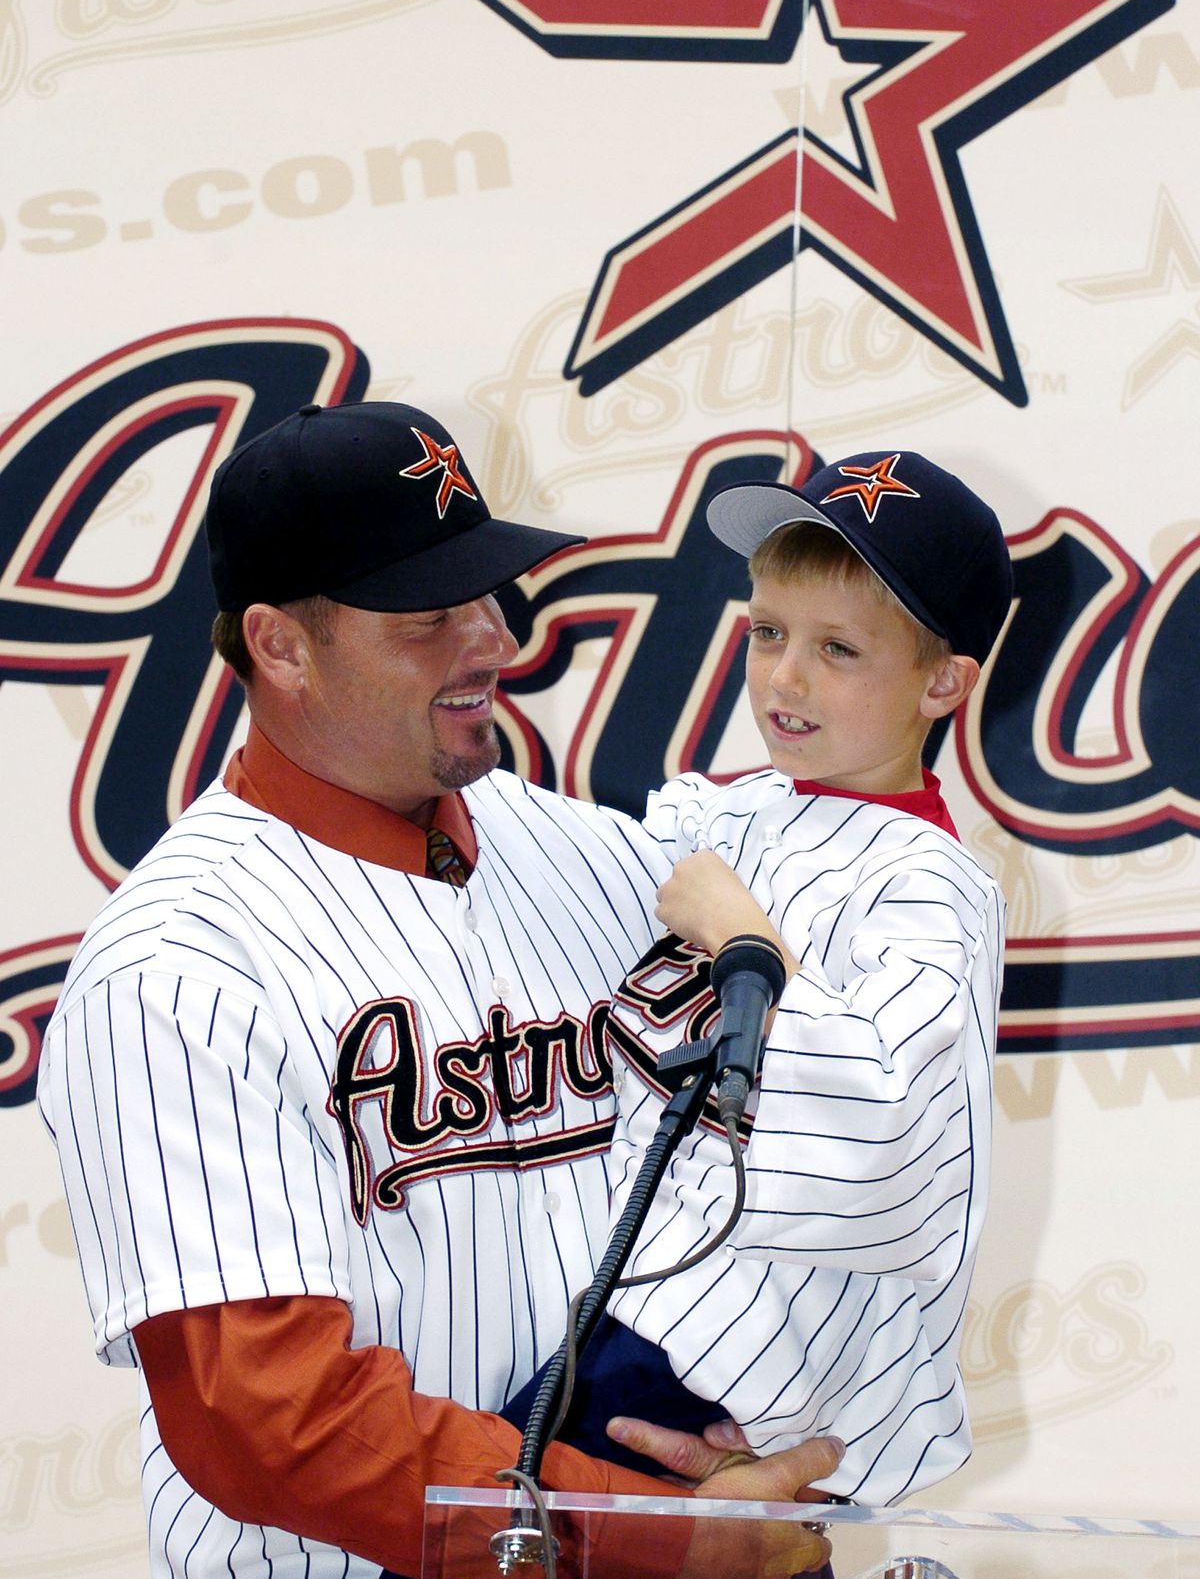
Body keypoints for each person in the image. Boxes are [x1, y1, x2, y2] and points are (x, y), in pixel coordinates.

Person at [36, 400, 841, 1579]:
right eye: (429, 615)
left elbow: (793, 1156)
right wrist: (648, 1533)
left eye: (487, 592)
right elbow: (272, 1419)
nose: (496, 637)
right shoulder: (175, 969)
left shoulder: (602, 857)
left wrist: (752, 1424)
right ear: (281, 646)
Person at [504, 449, 1010, 1506]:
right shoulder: (721, 810)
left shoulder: (931, 884)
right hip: (611, 1295)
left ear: (942, 682)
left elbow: (889, 1126)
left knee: (486, 1528)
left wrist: (745, 939)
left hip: (725, 1352)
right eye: (768, 632)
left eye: (838, 648)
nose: (784, 676)